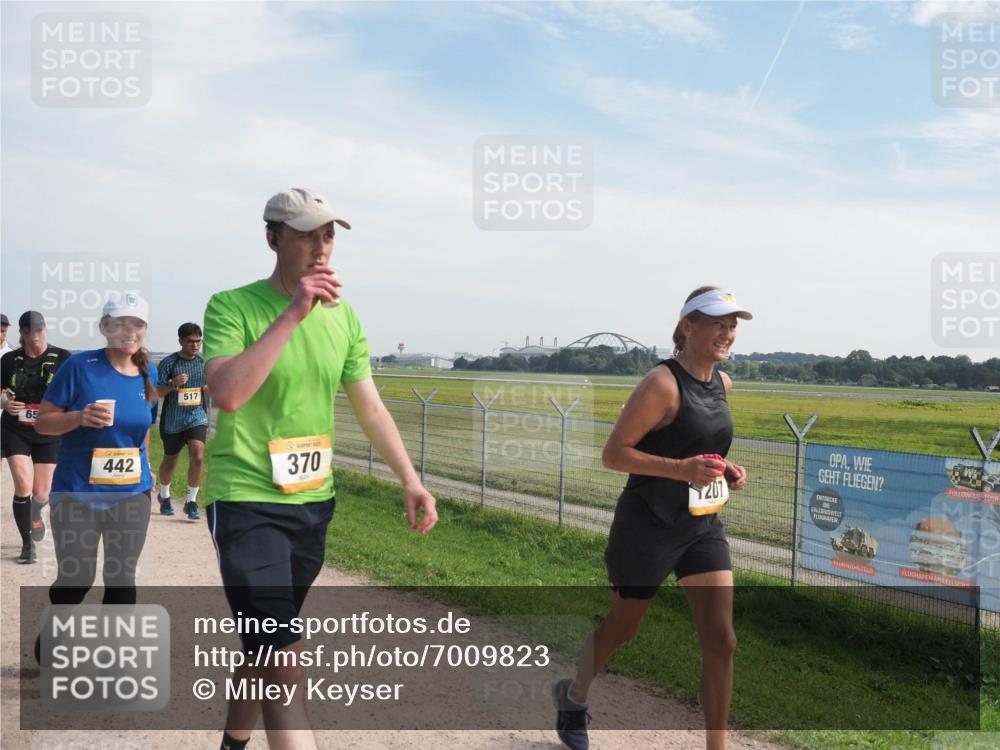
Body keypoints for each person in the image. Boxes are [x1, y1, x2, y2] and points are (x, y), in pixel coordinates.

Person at [203, 187, 438, 750]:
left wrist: (410, 480)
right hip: (246, 501)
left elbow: (370, 407)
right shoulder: (231, 306)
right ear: (272, 239)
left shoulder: (345, 317)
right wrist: (293, 313)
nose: (321, 247)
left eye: (328, 235)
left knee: (265, 648)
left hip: (312, 504)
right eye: (307, 235)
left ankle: (231, 745)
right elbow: (228, 394)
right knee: (283, 658)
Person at [553, 286, 751, 750]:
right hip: (647, 526)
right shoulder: (662, 384)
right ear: (687, 326)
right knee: (624, 627)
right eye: (718, 324)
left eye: (732, 325)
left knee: (722, 639)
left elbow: (698, 446)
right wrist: (682, 470)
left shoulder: (723, 383)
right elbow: (614, 454)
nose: (727, 333)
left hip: (700, 525)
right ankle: (574, 695)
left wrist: (725, 468)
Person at [34, 295, 157, 615]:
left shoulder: (150, 373)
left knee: (122, 578)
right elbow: (43, 423)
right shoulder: (79, 367)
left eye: (137, 324)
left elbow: (143, 425)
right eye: (120, 323)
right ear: (104, 327)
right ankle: (54, 634)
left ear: (145, 329)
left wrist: (147, 464)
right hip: (77, 492)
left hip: (132, 492)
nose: (129, 331)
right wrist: (78, 417)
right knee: (77, 579)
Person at [1, 311, 71, 562]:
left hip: (48, 430)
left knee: (42, 493)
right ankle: (27, 544)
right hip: (15, 429)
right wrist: (5, 403)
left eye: (40, 330)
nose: (36, 336)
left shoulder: (62, 357)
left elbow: (72, 392)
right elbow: (2, 392)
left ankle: (35, 513)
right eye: (30, 332)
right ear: (22, 334)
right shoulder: (9, 359)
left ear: (45, 330)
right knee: (23, 485)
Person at [155, 322, 208, 519]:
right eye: (190, 341)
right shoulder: (169, 363)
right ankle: (164, 496)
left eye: (198, 341)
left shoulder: (204, 363)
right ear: (180, 341)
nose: (195, 345)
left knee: (198, 455)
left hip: (197, 416)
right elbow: (156, 393)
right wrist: (172, 384)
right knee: (170, 460)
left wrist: (209, 390)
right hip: (173, 419)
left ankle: (191, 501)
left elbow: (213, 386)